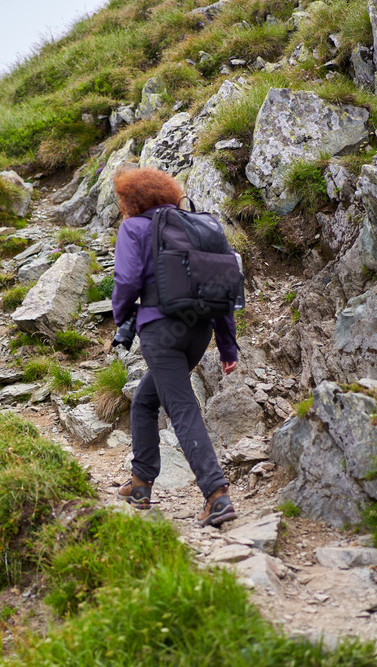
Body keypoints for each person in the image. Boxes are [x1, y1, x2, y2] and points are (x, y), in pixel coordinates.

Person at [111, 166, 239, 527]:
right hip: (198, 332)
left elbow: (127, 279)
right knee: (145, 401)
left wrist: (122, 318)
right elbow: (222, 287)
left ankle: (216, 495)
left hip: (160, 332)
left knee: (181, 409)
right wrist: (227, 346)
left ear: (130, 200)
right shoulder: (197, 226)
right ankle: (140, 483)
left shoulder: (133, 228)